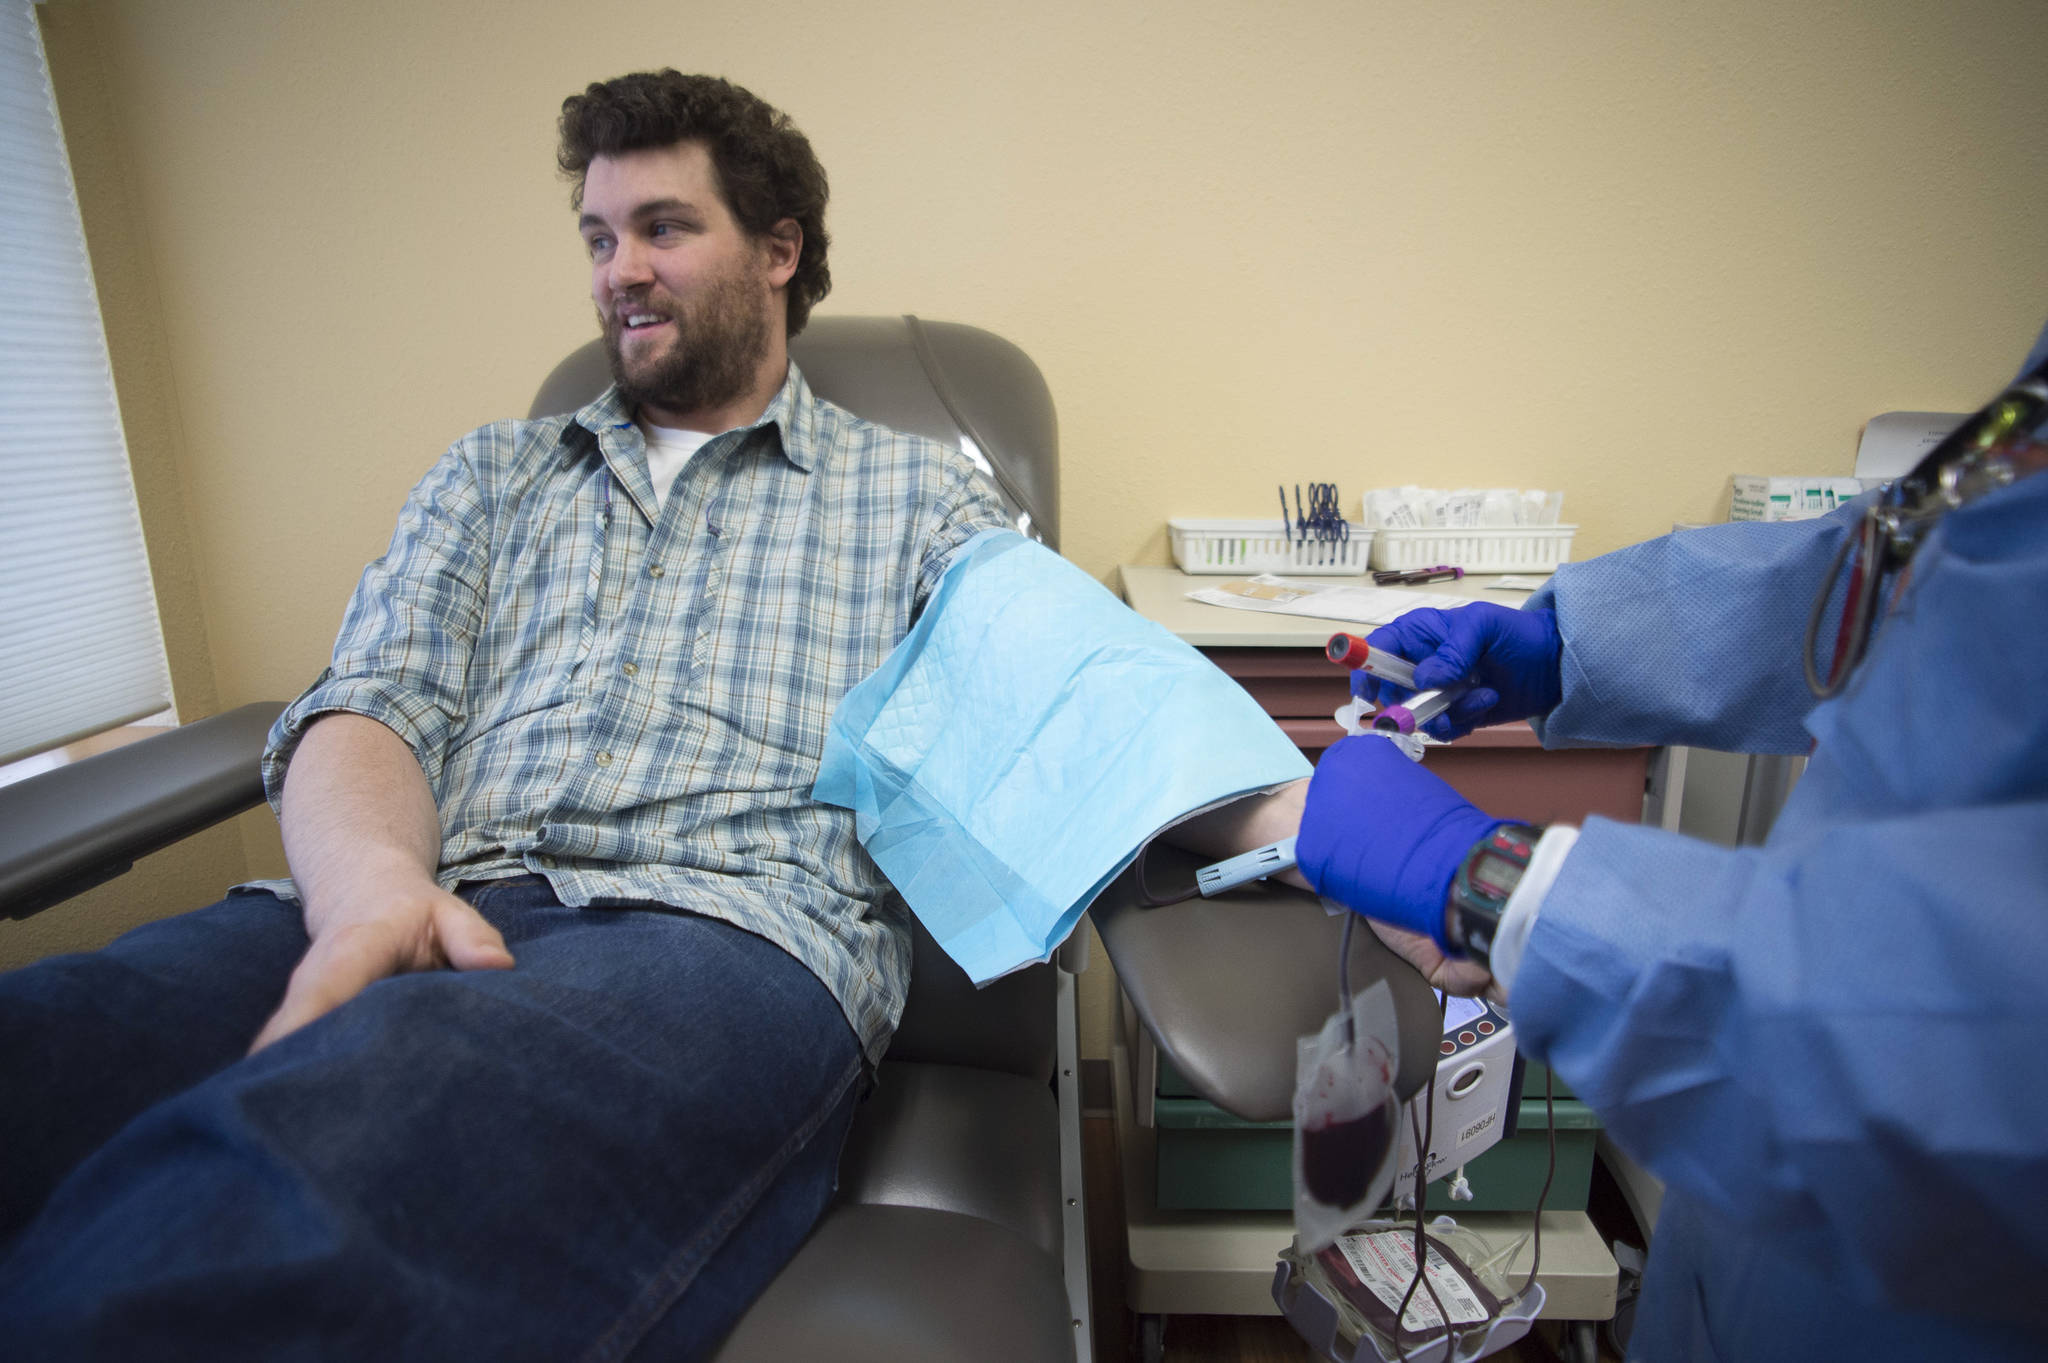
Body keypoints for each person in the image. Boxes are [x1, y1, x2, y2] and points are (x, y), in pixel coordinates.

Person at [0, 71, 1011, 1359]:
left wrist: (1282, 808)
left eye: (661, 227)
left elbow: (1056, 688)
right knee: (40, 1050)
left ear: (776, 251)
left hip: (713, 933)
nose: (616, 271)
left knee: (322, 1164)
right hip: (405, 889)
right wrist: (370, 887)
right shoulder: (492, 472)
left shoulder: (910, 495)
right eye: (596, 236)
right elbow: (373, 702)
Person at [1292, 323, 2048, 1360]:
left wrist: (1503, 887)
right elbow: (1902, 565)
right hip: (1759, 1231)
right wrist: (1572, 643)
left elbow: (1974, 1054)